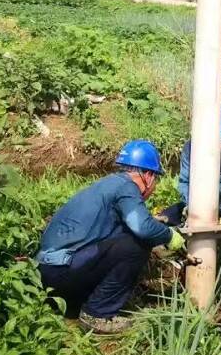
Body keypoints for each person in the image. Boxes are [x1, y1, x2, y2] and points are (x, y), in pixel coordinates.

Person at [36, 139, 186, 334]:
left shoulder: (109, 184)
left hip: (48, 276)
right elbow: (142, 227)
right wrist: (169, 236)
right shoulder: (127, 187)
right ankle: (97, 313)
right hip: (63, 272)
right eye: (156, 179)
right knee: (136, 246)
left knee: (127, 237)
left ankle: (78, 306)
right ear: (148, 175)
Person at [159, 103, 221, 226]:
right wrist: (192, 206)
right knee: (165, 219)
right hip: (196, 208)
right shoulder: (191, 149)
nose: (217, 145)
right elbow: (185, 182)